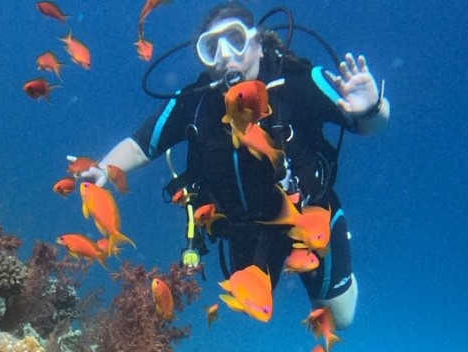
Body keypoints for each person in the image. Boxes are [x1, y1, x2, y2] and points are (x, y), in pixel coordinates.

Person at [79, 1, 389, 328]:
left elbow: (368, 125)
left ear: (258, 43)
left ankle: (342, 274)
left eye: (236, 40)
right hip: (245, 229)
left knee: (339, 319)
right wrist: (104, 167)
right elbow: (143, 144)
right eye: (212, 47)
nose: (226, 55)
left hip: (310, 218)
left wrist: (371, 108)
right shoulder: (195, 102)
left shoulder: (297, 81)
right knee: (251, 307)